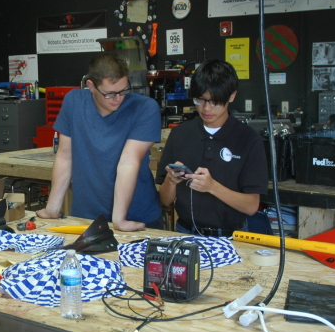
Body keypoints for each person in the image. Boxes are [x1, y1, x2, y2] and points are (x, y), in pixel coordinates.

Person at [36, 53, 162, 231]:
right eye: (110, 94)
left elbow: (128, 162)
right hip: (88, 217)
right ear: (91, 86)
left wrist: (119, 219)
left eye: (124, 90)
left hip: (137, 217)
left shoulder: (144, 108)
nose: (118, 99)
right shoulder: (74, 102)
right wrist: (52, 208)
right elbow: (65, 156)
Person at [156, 60, 268, 236]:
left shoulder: (249, 139)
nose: (206, 108)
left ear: (231, 96)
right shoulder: (180, 135)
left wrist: (212, 187)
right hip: (185, 232)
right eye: (200, 100)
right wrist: (171, 181)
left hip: (233, 237)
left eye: (215, 101)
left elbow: (252, 206)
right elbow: (165, 200)